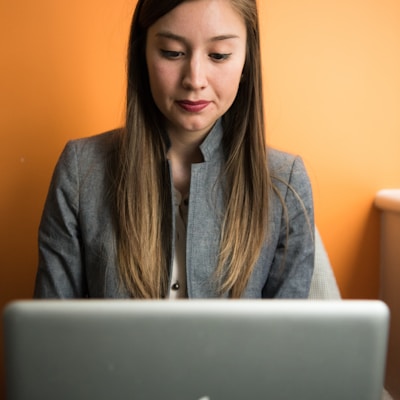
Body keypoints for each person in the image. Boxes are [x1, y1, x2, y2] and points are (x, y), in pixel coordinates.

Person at [34, 0, 315, 299]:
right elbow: (51, 337)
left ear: (247, 59)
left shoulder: (286, 183)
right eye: (172, 52)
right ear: (142, 54)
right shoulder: (81, 171)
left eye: (219, 55)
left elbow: (289, 342)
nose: (195, 80)